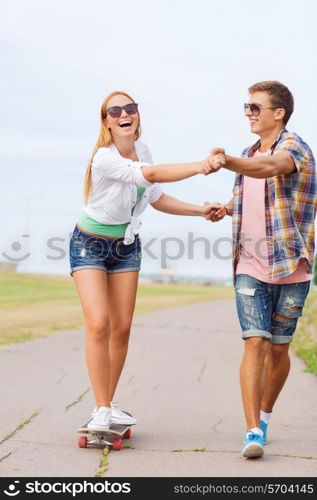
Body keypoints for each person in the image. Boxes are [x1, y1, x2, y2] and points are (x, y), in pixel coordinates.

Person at [69, 90, 224, 431]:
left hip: (126, 246)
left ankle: (106, 407)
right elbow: (151, 176)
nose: (124, 113)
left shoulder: (144, 151)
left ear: (136, 115)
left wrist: (201, 211)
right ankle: (101, 409)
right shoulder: (103, 159)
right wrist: (200, 167)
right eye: (115, 111)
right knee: (99, 324)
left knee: (122, 329)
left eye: (131, 108)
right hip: (89, 244)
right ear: (106, 122)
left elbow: (155, 196)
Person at [204, 81, 317, 458]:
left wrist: (227, 162)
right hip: (250, 263)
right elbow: (251, 196)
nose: (248, 113)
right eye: (247, 107)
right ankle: (252, 430)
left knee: (280, 349)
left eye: (255, 107)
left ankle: (265, 416)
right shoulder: (248, 152)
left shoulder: (293, 147)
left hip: (290, 264)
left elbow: (270, 169)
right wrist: (227, 207)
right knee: (256, 341)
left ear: (278, 112)